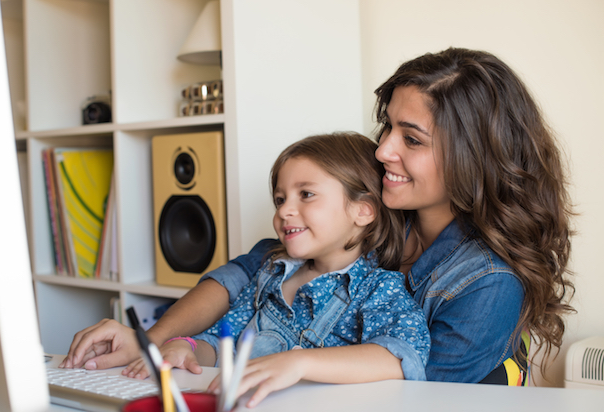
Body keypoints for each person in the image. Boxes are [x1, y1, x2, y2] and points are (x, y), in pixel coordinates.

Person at [62, 47, 574, 386]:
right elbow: (247, 272)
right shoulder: (377, 217)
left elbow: (415, 386)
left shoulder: (488, 284)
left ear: (474, 158)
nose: (383, 150)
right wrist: (151, 342)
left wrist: (296, 363)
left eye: (411, 139)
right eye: (388, 128)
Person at [136, 133, 430, 406]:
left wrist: (299, 363)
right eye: (280, 199)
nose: (284, 211)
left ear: (362, 210)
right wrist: (188, 348)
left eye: (306, 194)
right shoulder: (271, 274)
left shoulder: (378, 288)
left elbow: (401, 356)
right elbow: (225, 344)